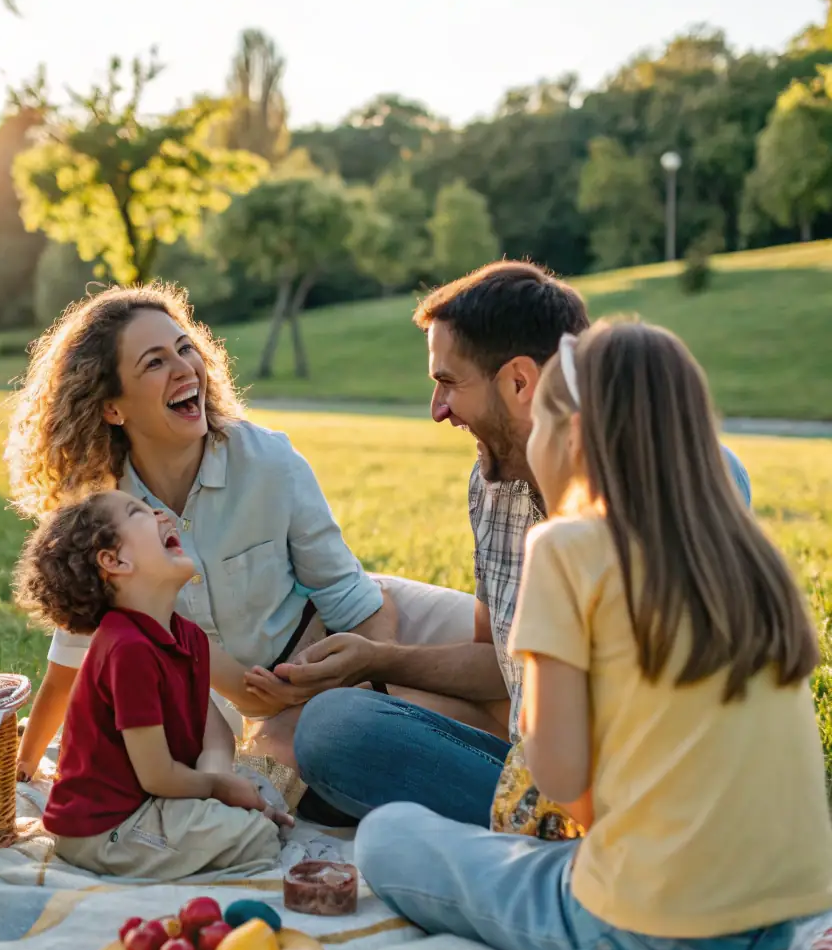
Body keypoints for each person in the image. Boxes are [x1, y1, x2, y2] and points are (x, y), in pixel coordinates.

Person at [356, 320, 832, 950]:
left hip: (646, 938)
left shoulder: (566, 547)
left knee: (388, 836)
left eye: (541, 422)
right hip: (776, 929)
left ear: (575, 437)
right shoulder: (748, 557)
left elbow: (558, 775)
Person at [271, 262, 751, 826]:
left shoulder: (692, 479)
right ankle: (513, 840)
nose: (438, 410)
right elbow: (500, 665)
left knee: (389, 838)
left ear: (519, 382)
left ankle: (528, 854)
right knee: (334, 727)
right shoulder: (491, 486)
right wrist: (378, 660)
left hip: (642, 802)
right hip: (531, 782)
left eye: (448, 383)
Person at [5, 282, 478, 813]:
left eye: (186, 349)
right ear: (113, 408)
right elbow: (71, 658)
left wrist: (364, 683)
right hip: (248, 709)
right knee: (280, 781)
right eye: (155, 363)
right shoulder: (107, 517)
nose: (185, 369)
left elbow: (355, 602)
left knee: (502, 663)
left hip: (344, 642)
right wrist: (25, 767)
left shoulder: (267, 461)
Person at [13, 489, 291, 879]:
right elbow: (157, 774)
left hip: (159, 795)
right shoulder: (126, 649)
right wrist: (217, 790)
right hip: (106, 826)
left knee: (265, 798)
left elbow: (215, 734)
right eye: (138, 512)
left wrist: (221, 779)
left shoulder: (186, 635)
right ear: (115, 561)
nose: (163, 514)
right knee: (257, 838)